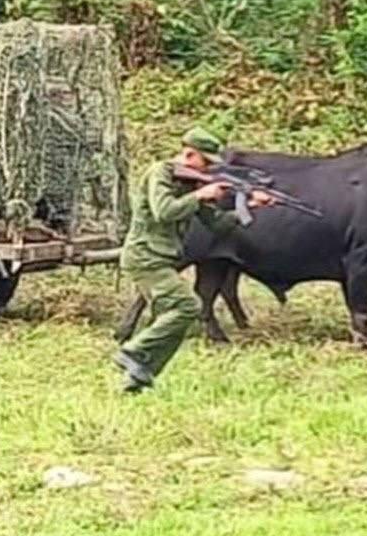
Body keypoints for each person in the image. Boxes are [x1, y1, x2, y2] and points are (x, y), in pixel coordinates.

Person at [115, 127, 273, 393]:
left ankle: (140, 375)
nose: (210, 169)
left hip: (161, 257)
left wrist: (249, 207)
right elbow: (164, 211)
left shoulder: (189, 183)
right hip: (145, 256)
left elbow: (218, 225)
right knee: (188, 306)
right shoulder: (161, 173)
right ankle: (133, 351)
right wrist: (200, 195)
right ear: (189, 154)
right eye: (206, 162)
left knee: (174, 316)